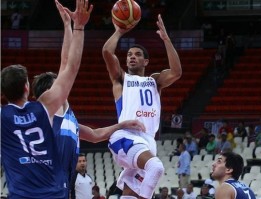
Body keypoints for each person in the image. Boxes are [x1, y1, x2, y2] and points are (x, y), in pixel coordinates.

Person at [31, 3, 145, 198]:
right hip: (45, 188)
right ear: (49, 92)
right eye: (57, 83)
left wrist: (122, 124)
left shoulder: (67, 116)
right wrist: (74, 27)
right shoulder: (49, 112)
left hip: (60, 189)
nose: (63, 83)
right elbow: (66, 63)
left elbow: (94, 134)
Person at [1, 0, 92, 198]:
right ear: (27, 87)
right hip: (52, 193)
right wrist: (78, 27)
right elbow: (70, 66)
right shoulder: (43, 109)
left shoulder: (2, 117)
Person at [102, 13, 182, 199]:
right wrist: (119, 31)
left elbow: (177, 72)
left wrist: (166, 39)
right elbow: (107, 52)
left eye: (137, 55)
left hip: (148, 141)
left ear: (146, 61)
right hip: (127, 136)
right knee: (155, 168)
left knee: (132, 192)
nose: (132, 57)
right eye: (129, 54)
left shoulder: (155, 80)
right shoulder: (121, 79)